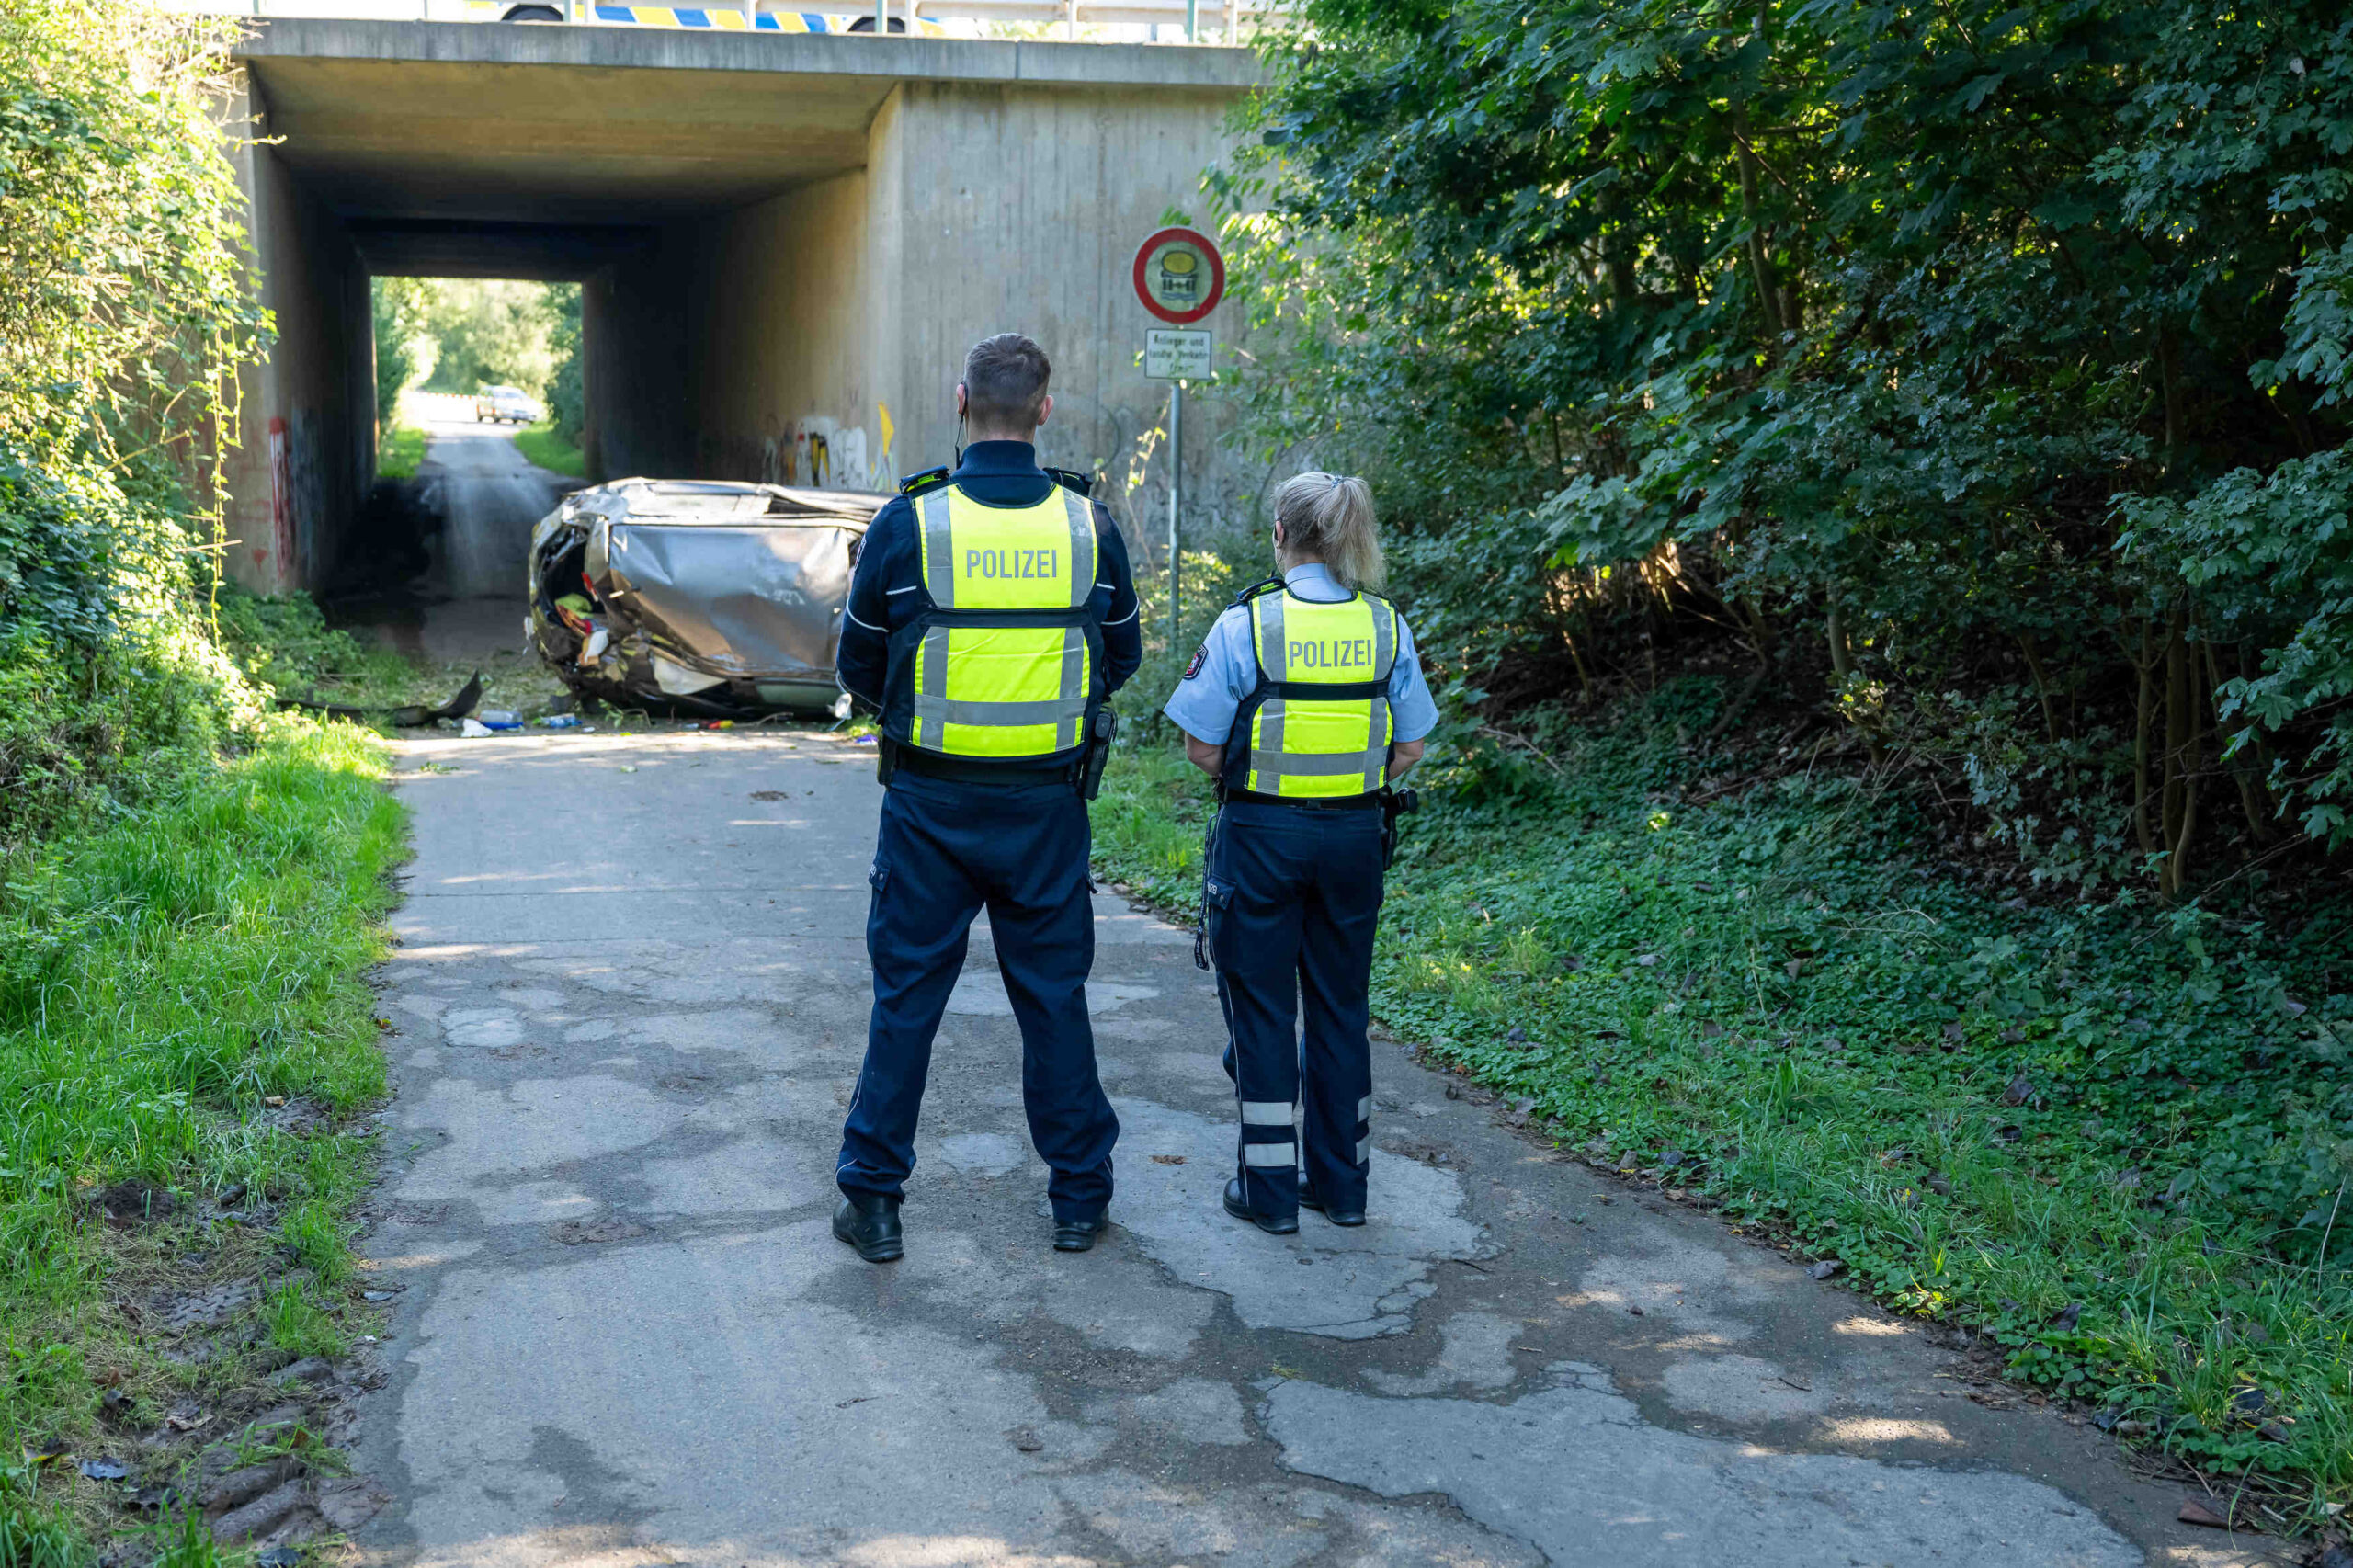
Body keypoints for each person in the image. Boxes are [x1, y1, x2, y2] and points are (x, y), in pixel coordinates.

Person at [831, 333, 1142, 1262]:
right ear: (1044, 410)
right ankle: (1079, 1198)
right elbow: (1116, 657)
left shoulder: (909, 524)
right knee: (1054, 1000)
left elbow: (859, 662)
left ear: (959, 399)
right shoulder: (1089, 527)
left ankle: (876, 1203)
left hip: (928, 805)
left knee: (906, 1003)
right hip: (1045, 809)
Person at [1162, 472, 1438, 1233]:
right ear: (1344, 538)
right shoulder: (1385, 625)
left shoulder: (1246, 625)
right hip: (1355, 840)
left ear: (1279, 535)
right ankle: (1343, 1191)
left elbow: (1200, 749)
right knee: (1341, 1011)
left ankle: (1269, 1194)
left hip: (1262, 840)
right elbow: (1409, 742)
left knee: (1261, 1010)